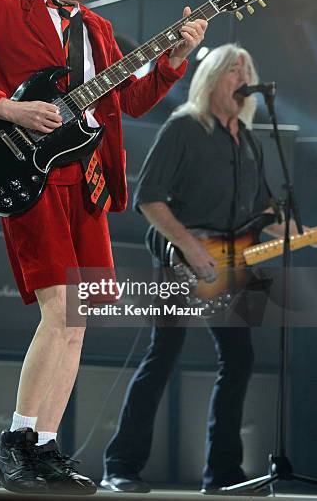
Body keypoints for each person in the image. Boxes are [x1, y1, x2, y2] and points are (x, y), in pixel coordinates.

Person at [0, 0, 208, 495]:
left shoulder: (98, 31)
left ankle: (46, 447)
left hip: (90, 186)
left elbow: (127, 105)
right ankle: (16, 442)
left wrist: (175, 59)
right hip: (30, 178)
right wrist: (8, 107)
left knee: (77, 320)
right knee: (58, 311)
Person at [101, 43, 306, 494]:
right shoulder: (184, 128)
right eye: (234, 70)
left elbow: (261, 215)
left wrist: (290, 230)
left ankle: (223, 475)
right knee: (164, 354)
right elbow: (148, 198)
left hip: (232, 264)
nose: (242, 77)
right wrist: (190, 246)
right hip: (183, 257)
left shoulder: (250, 140)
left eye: (247, 69)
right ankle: (120, 466)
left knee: (239, 359)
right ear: (212, 78)